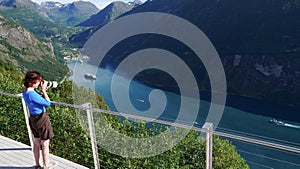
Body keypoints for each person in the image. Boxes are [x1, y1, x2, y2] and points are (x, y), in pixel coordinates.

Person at [22, 71, 57, 169]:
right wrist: (44, 91)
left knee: (36, 142)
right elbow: (48, 103)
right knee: (45, 143)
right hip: (41, 118)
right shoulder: (32, 94)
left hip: (33, 118)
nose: (40, 83)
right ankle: (46, 165)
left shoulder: (25, 91)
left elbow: (36, 100)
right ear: (32, 82)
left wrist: (41, 91)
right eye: (38, 81)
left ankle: (37, 164)